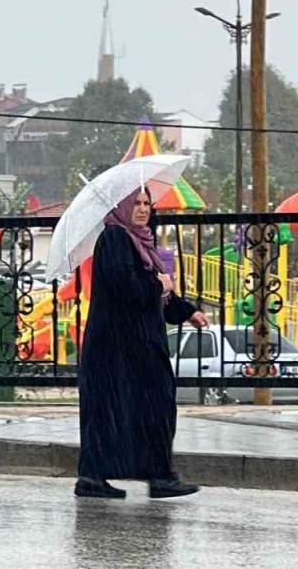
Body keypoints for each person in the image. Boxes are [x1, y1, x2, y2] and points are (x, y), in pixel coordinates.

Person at [75, 189, 210, 500]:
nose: (142, 209)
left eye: (147, 203)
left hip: (136, 348)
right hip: (116, 349)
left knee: (148, 408)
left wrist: (188, 312)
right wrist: (158, 283)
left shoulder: (140, 242)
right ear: (122, 207)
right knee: (112, 411)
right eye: (135, 203)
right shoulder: (114, 239)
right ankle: (97, 477)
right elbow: (127, 288)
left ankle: (152, 475)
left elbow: (157, 297)